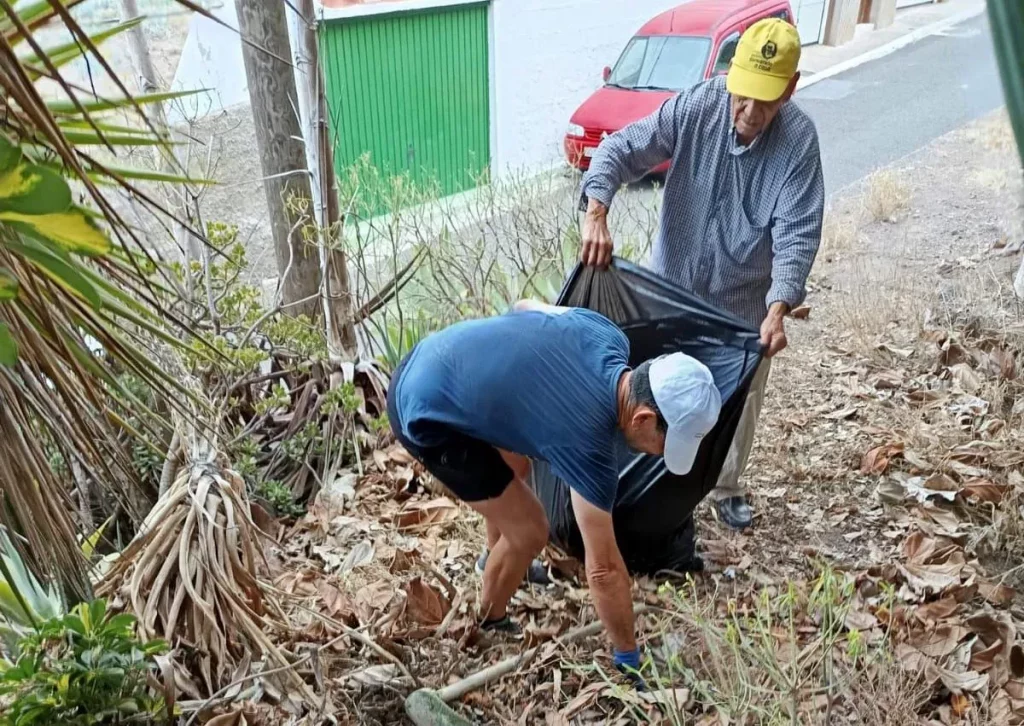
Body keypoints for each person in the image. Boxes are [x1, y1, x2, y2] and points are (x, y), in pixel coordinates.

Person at [578, 17, 824, 530]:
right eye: (742, 93)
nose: (749, 110)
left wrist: (778, 307)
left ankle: (726, 485)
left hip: (742, 309)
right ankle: (638, 481)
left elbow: (797, 233)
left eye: (765, 99)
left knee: (738, 402)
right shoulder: (697, 106)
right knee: (651, 391)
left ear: (790, 88)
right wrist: (596, 210)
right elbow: (622, 148)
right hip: (670, 291)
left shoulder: (798, 143)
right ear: (730, 74)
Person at [387, 300, 721, 676]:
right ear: (642, 418)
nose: (660, 455)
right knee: (531, 531)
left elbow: (523, 306)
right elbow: (603, 569)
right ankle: (491, 617)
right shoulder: (588, 443)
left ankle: (492, 558)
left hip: (431, 359)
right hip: (423, 414)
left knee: (517, 465)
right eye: (665, 444)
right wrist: (628, 657)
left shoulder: (606, 333)